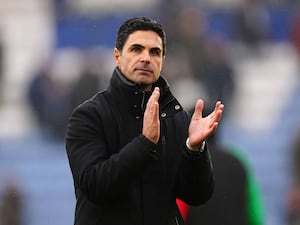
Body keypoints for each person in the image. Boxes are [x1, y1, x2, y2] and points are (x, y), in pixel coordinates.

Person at [65, 16, 224, 225]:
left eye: (154, 52)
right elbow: (95, 185)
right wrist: (145, 143)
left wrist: (194, 150)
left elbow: (197, 195)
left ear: (162, 61)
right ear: (117, 56)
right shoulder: (89, 116)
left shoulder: (175, 118)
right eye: (136, 49)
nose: (146, 58)